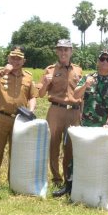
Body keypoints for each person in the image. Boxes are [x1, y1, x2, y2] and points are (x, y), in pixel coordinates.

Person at [0, 46, 37, 193]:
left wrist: (31, 111)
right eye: (13, 58)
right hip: (0, 117)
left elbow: (32, 96)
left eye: (19, 59)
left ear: (23, 61)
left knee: (17, 153)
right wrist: (3, 72)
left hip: (20, 120)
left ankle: (14, 183)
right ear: (8, 59)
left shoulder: (28, 77)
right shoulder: (0, 72)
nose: (15, 61)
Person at [38, 39, 83, 197]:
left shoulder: (78, 70)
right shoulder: (50, 70)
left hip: (74, 112)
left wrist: (81, 114)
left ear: (71, 51)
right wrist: (45, 82)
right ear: (57, 52)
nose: (63, 53)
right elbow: (41, 94)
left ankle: (68, 179)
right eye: (60, 50)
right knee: (53, 145)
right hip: (56, 110)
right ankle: (56, 178)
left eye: (66, 50)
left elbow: (82, 94)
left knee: (70, 147)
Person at [74, 49, 108, 128]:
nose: (105, 62)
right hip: (87, 125)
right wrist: (85, 85)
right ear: (98, 61)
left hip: (106, 127)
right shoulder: (87, 77)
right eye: (102, 59)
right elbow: (75, 95)